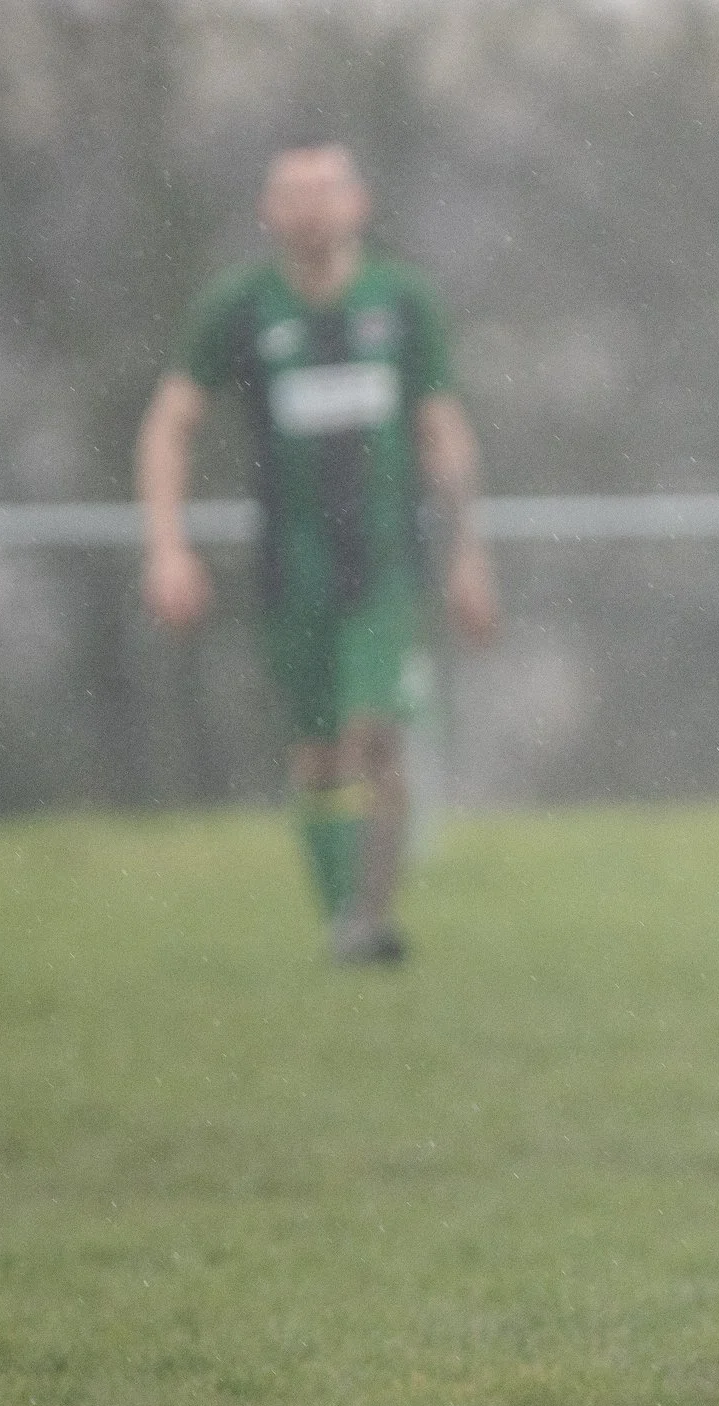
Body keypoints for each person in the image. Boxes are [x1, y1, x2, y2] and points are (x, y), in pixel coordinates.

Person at [136, 139, 498, 964]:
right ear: (269, 211)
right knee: (318, 753)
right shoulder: (241, 307)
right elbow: (171, 422)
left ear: (357, 204)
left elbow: (443, 429)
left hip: (387, 565)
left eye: (326, 190)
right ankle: (344, 920)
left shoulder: (404, 303)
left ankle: (365, 922)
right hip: (289, 570)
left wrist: (469, 552)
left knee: (378, 736)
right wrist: (166, 545)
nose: (310, 208)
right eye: (292, 194)